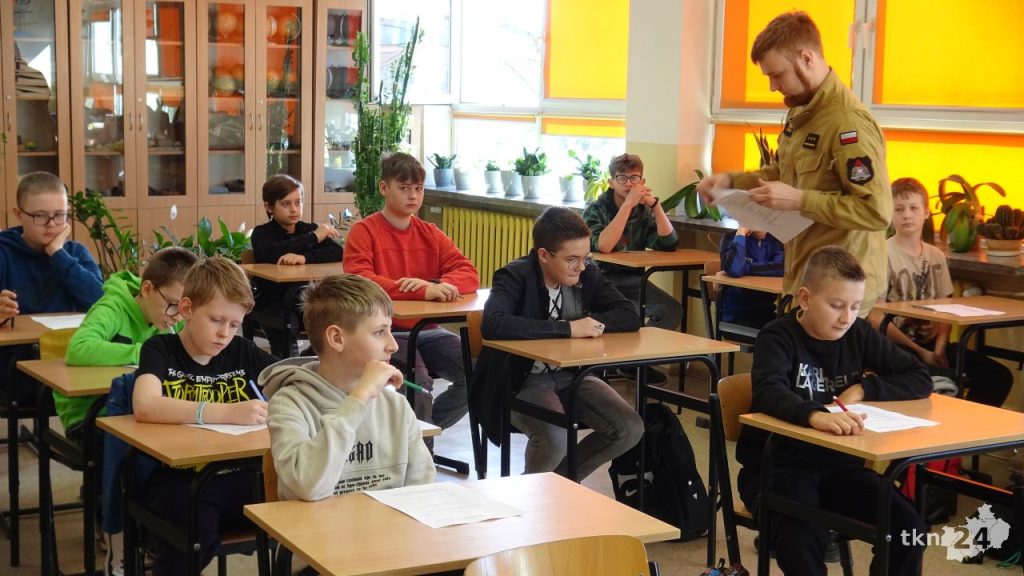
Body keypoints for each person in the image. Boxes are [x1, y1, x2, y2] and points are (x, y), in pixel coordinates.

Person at [735, 245, 930, 576]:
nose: (846, 317)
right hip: (778, 468)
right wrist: (816, 416)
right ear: (805, 298)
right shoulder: (778, 336)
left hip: (840, 468)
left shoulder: (858, 333)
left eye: (855, 307)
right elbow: (769, 391)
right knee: (801, 537)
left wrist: (865, 389)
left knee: (909, 527)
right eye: (836, 305)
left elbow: (918, 376)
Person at [697, 11, 891, 315]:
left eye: (777, 74)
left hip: (842, 296)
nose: (773, 87)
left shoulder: (848, 123)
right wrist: (730, 182)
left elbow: (876, 211)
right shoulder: (801, 111)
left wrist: (800, 200)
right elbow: (782, 171)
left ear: (806, 59)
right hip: (805, 279)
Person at [469, 207, 644, 480]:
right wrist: (567, 329)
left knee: (629, 427)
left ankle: (558, 484)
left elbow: (629, 315)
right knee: (555, 436)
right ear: (543, 255)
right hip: (519, 379)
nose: (581, 267)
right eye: (572, 259)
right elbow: (493, 324)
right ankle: (534, 498)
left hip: (571, 375)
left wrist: (588, 324)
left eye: (585, 258)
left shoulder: (586, 275)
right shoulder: (515, 275)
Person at [132, 256, 278, 576]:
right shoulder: (160, 349)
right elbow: (145, 405)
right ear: (186, 309)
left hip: (239, 475)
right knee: (194, 530)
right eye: (216, 320)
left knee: (306, 505)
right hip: (178, 480)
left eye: (234, 325)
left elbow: (293, 378)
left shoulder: (241, 351)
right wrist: (225, 412)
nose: (225, 333)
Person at [59, 246, 197, 574]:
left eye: (184, 309)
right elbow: (79, 349)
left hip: (139, 414)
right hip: (88, 416)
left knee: (171, 453)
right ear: (147, 289)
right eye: (173, 305)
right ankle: (116, 527)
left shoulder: (171, 319)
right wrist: (148, 353)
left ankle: (147, 526)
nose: (177, 317)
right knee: (125, 456)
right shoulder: (113, 306)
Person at [263, 273, 435, 502]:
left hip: (386, 525)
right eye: (379, 332)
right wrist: (359, 399)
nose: (393, 345)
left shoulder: (396, 405)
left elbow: (423, 490)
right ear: (337, 338)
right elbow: (307, 487)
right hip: (317, 526)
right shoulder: (289, 404)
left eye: (390, 330)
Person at [343, 152, 479, 429]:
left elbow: (468, 273)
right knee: (419, 381)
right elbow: (360, 280)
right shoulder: (364, 231)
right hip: (384, 332)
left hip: (428, 330)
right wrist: (419, 292)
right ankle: (417, 445)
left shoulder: (430, 233)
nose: (413, 196)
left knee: (478, 370)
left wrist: (436, 285)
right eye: (404, 188)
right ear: (384, 188)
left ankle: (421, 433)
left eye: (418, 188)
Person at [868, 177, 1012, 407]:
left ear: (926, 212)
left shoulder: (935, 255)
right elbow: (876, 317)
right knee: (944, 382)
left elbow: (946, 305)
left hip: (934, 345)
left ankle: (967, 425)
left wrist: (940, 347)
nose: (907, 215)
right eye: (899, 209)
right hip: (897, 347)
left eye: (913, 208)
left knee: (999, 377)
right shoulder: (881, 254)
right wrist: (921, 353)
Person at [0, 171, 104, 406]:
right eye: (40, 216)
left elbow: (101, 302)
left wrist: (57, 253)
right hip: (16, 366)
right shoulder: (4, 252)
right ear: (18, 214)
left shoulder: (75, 254)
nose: (52, 225)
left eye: (59, 215)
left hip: (70, 358)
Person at [583, 153, 680, 384]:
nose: (629, 184)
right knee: (630, 316)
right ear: (611, 182)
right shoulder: (596, 209)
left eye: (634, 178)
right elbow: (604, 246)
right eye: (622, 178)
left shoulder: (643, 211)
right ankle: (623, 362)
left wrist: (656, 206)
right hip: (601, 280)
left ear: (642, 182)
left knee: (672, 310)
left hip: (635, 280)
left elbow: (669, 243)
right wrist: (627, 205)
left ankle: (634, 362)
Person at [251, 174, 343, 357]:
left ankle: (309, 357)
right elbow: (272, 252)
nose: (294, 209)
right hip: (273, 300)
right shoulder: (262, 233)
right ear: (269, 207)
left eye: (298, 202)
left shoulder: (308, 229)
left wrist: (304, 258)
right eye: (286, 204)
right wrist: (314, 237)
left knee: (334, 318)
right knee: (286, 324)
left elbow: (336, 252)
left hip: (307, 298)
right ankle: (287, 366)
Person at [719, 228, 784, 328]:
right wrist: (741, 234)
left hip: (767, 313)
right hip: (735, 317)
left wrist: (744, 268)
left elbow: (780, 269)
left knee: (795, 329)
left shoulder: (777, 242)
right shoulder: (731, 238)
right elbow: (735, 269)